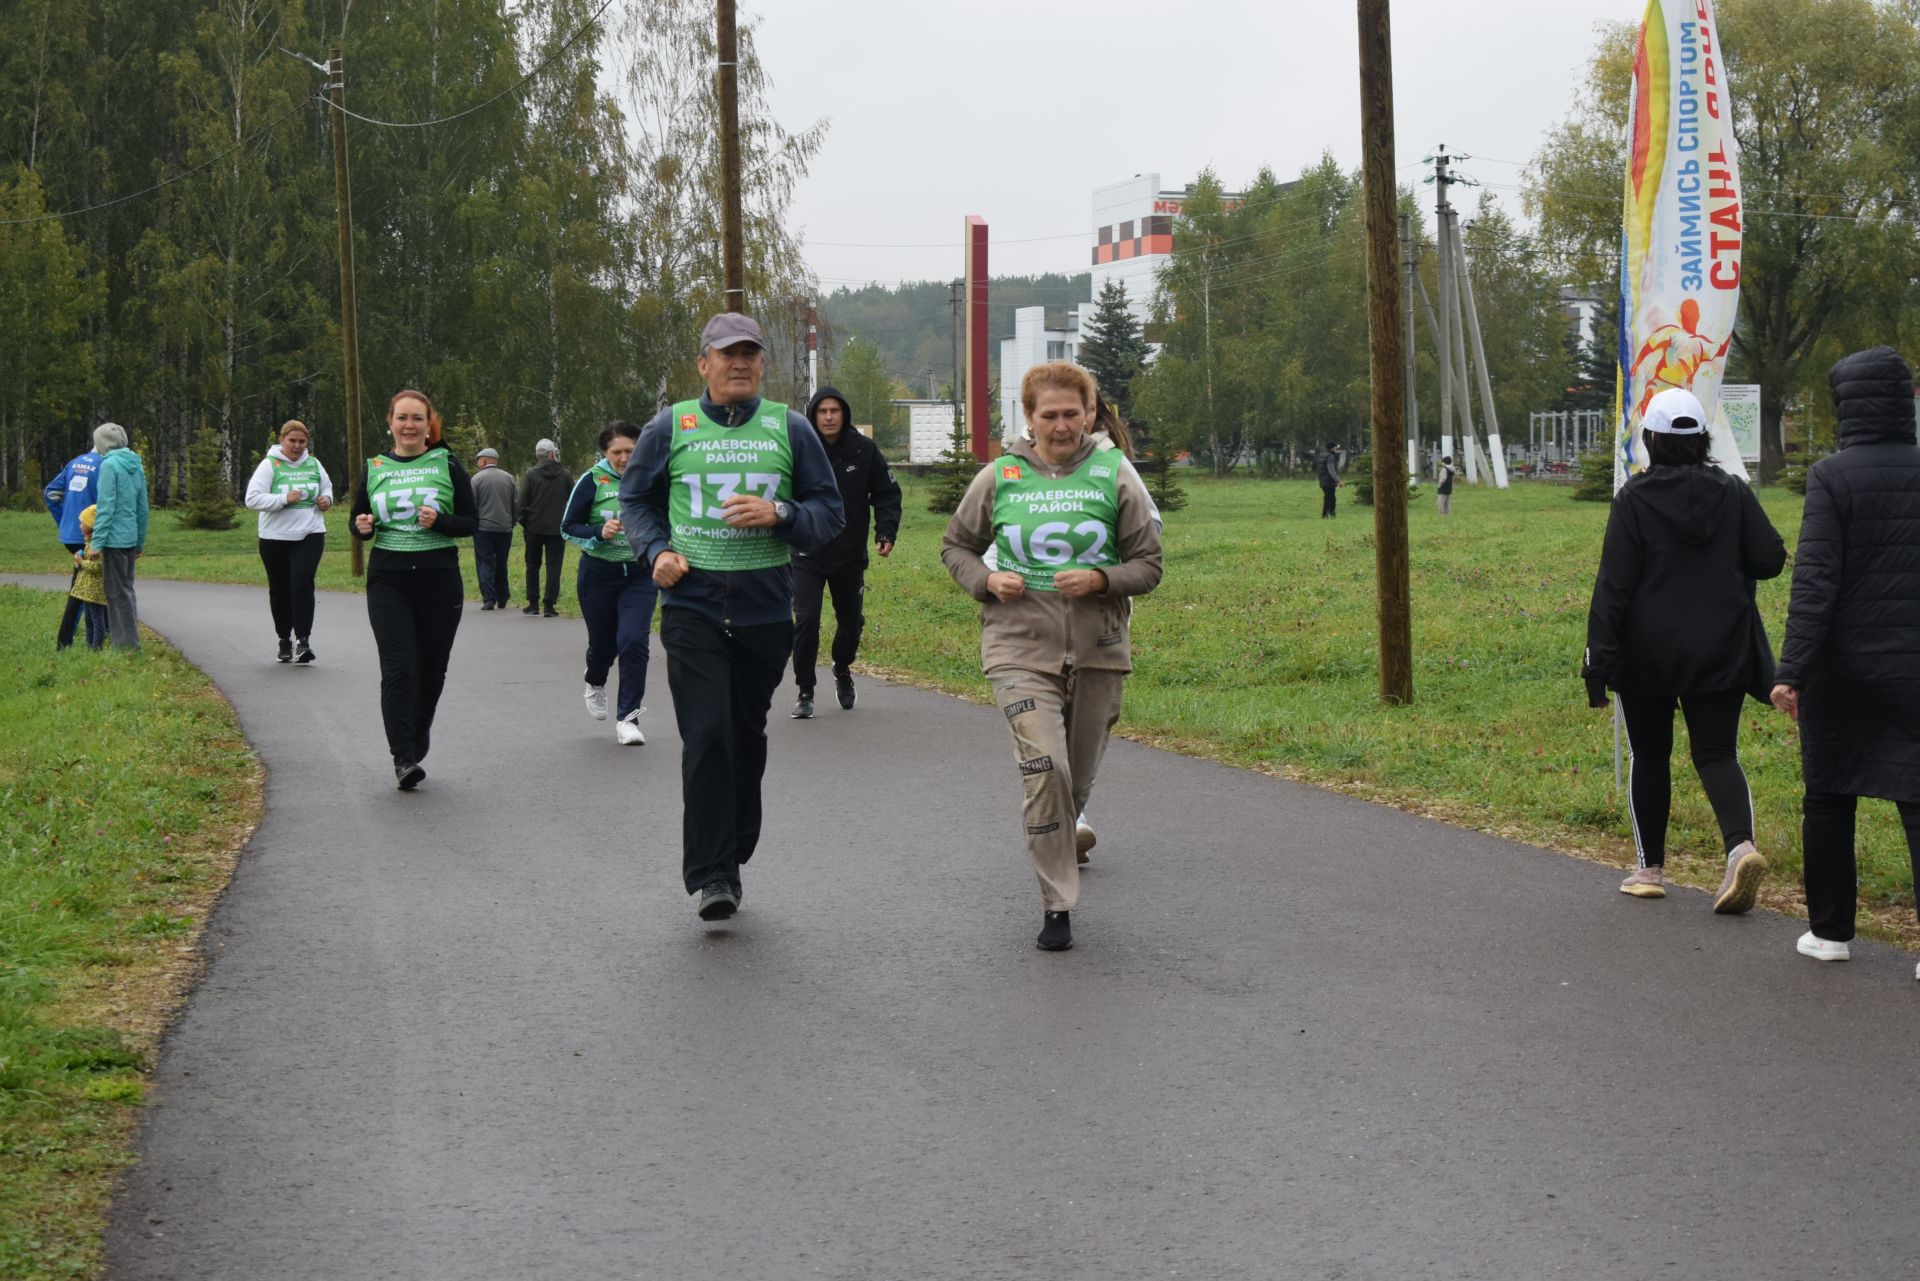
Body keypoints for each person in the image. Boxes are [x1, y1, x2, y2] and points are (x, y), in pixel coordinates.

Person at [619, 313, 844, 921]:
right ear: (704, 364)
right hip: (691, 603)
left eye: (749, 353)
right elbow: (635, 497)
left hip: (766, 608)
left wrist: (781, 515)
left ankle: (734, 845)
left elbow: (830, 511)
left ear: (763, 364)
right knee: (708, 734)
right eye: (726, 353)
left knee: (744, 736)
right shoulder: (672, 427)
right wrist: (656, 550)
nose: (738, 362)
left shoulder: (790, 428)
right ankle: (713, 873)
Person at [941, 361, 1164, 952]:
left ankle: (1068, 829)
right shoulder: (1001, 476)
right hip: (1017, 646)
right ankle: (1057, 905)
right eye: (1049, 415)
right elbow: (957, 546)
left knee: (1076, 780)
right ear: (1029, 418)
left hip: (1098, 651)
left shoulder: (1116, 475)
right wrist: (987, 584)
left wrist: (1099, 579)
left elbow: (1149, 565)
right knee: (1046, 770)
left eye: (1072, 414)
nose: (1061, 426)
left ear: (1090, 416)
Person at [1582, 386, 1785, 910]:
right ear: (1702, 439)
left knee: (1651, 754)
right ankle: (1740, 848)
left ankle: (1649, 869)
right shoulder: (1734, 491)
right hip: (1722, 649)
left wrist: (1596, 664)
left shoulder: (1634, 497)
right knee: (1717, 752)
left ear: (1650, 439)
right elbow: (1769, 559)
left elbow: (1615, 587)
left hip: (1645, 655)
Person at [1769, 347, 1920, 969]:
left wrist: (1791, 670)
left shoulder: (1832, 475)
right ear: (1904, 401)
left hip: (1843, 667)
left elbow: (1817, 583)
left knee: (1829, 795)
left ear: (1846, 407)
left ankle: (1831, 934)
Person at [350, 390, 477, 790]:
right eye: (402, 418)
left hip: (438, 577)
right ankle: (403, 756)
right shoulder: (374, 467)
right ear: (389, 422)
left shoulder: (447, 462)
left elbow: (471, 522)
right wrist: (361, 527)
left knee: (432, 669)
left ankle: (417, 733)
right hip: (389, 576)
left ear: (428, 424)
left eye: (417, 418)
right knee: (400, 667)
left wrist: (440, 520)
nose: (409, 425)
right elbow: (356, 518)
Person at [789, 386, 902, 718]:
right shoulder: (800, 450)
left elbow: (887, 493)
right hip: (807, 552)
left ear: (844, 414)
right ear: (813, 415)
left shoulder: (863, 450)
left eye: (834, 411)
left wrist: (886, 531)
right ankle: (805, 690)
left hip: (849, 554)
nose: (828, 417)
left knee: (850, 623)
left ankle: (842, 668)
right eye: (822, 411)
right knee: (806, 621)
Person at [563, 421, 656, 745]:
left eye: (630, 450)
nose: (624, 458)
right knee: (603, 646)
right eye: (617, 452)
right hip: (599, 574)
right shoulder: (591, 481)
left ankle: (628, 719)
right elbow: (568, 525)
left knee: (633, 641)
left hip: (640, 575)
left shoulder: (653, 477)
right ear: (605, 453)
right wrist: (597, 533)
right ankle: (595, 680)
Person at [244, 419, 334, 664]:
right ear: (282, 441)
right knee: (280, 589)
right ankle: (284, 638)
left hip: (310, 532)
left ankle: (303, 641)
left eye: (301, 442)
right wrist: (284, 498)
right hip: (275, 537)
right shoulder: (270, 465)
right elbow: (252, 500)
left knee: (302, 582)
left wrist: (327, 500)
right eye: (292, 441)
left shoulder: (314, 463)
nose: (296, 446)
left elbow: (327, 489)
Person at [88, 423, 148, 651]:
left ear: (103, 443)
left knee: (115, 593)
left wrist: (97, 543)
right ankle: (129, 642)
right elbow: (142, 508)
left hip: (114, 539)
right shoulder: (136, 464)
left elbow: (106, 506)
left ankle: (125, 646)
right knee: (127, 589)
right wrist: (140, 541)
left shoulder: (109, 466)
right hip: (130, 537)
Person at [44, 438, 103, 650]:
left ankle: (99, 638)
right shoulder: (105, 466)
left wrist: (65, 522)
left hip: (71, 534)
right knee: (80, 590)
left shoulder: (75, 462)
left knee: (93, 583)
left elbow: (51, 493)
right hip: (91, 534)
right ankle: (64, 643)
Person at [518, 438, 570, 617]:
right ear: (553, 454)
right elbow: (573, 500)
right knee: (554, 566)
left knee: (532, 564)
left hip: (534, 528)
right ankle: (549, 605)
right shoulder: (565, 474)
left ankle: (533, 603)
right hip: (557, 529)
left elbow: (521, 503)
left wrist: (526, 523)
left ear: (537, 455)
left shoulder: (531, 474)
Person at [470, 447, 516, 611]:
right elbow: (514, 504)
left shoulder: (476, 479)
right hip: (505, 528)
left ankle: (488, 598)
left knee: (485, 561)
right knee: (502, 563)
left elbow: (472, 505)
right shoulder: (509, 478)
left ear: (483, 461)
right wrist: (511, 522)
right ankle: (503, 597)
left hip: (483, 528)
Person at [64, 504, 109, 650]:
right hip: (88, 591)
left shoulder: (98, 546)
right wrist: (80, 560)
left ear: (92, 525)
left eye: (83, 522)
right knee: (88, 620)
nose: (80, 525)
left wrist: (81, 563)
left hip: (95, 590)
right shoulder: (90, 543)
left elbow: (97, 567)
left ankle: (97, 648)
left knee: (97, 621)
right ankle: (90, 646)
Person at [1316, 441, 1345, 518]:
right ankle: (1330, 515)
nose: (1336, 449)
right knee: (1331, 499)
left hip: (1323, 479)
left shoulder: (1323, 454)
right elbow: (1331, 471)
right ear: (1332, 448)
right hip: (1328, 481)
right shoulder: (1330, 456)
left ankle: (1326, 515)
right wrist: (1338, 481)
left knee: (1328, 498)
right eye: (1336, 447)